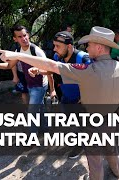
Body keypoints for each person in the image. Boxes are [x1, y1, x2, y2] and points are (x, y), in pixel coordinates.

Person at [0, 26, 119, 180]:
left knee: (95, 159)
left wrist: (16, 55)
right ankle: (116, 172)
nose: (87, 47)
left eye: (89, 44)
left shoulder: (89, 69)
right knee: (111, 148)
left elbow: (52, 66)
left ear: (98, 47)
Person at [29, 31, 92, 159]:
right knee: (72, 122)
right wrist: (39, 71)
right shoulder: (58, 57)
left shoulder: (83, 58)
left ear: (69, 46)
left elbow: (95, 79)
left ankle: (82, 144)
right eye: (54, 45)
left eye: (57, 46)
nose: (54, 49)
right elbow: (52, 69)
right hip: (65, 97)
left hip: (81, 102)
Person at [0, 25, 55, 105]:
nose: (24, 39)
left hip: (39, 85)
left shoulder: (36, 51)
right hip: (29, 84)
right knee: (39, 109)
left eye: (24, 35)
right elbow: (9, 65)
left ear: (28, 35)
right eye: (20, 37)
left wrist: (52, 89)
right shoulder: (18, 51)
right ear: (15, 39)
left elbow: (49, 70)